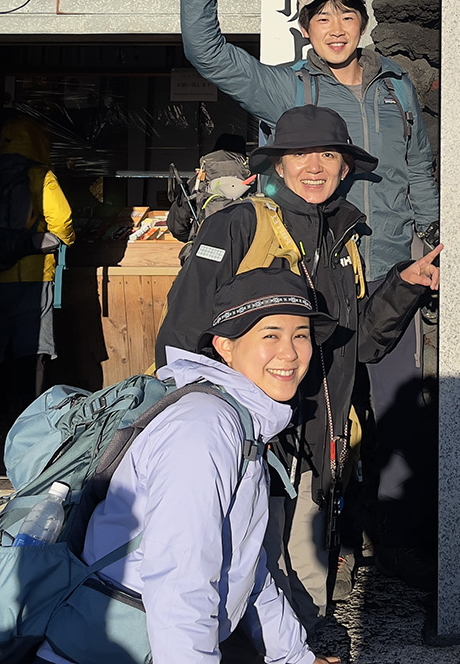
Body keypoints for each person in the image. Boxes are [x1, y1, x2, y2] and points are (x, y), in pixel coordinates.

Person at [179, 0, 441, 589]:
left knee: (389, 404)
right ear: (305, 26)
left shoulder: (395, 90)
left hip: (387, 273)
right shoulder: (285, 88)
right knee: (308, 407)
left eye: (345, 12)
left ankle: (386, 540)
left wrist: (436, 242)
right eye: (320, 14)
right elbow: (206, 52)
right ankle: (305, 543)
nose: (334, 25)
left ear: (363, 20)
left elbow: (415, 170)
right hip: (308, 273)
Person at [153, 104, 439, 633]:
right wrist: (204, 432)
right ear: (277, 166)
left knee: (305, 583)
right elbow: (182, 338)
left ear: (345, 168)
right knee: (235, 572)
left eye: (328, 155)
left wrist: (405, 285)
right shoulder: (239, 225)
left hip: (316, 435)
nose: (315, 166)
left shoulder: (344, 236)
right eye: (300, 154)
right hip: (245, 441)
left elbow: (362, 345)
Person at [37, 266, 338, 664]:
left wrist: (294, 657)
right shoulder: (203, 428)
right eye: (271, 335)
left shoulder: (239, 420)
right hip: (118, 647)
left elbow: (247, 566)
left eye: (301, 335)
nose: (290, 353)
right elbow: (180, 581)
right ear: (224, 346)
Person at [0, 116, 75, 442]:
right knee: (31, 351)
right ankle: (26, 427)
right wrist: (49, 242)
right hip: (30, 275)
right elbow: (64, 222)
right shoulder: (40, 175)